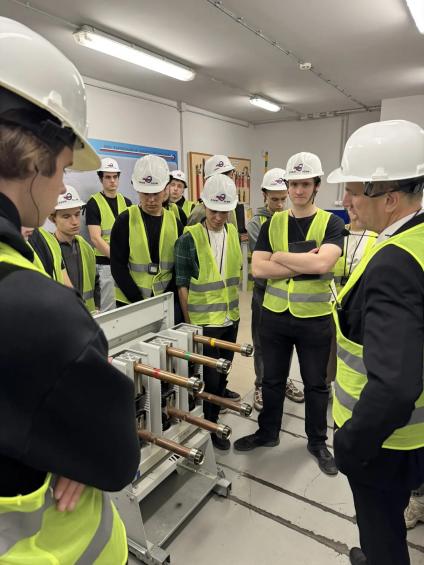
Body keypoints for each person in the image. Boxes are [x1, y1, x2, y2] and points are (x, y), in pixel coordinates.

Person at [0, 17, 139, 564]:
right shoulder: (37, 309)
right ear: (34, 157)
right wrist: (75, 446)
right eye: (62, 167)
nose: (62, 186)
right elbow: (114, 459)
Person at [326, 119, 424, 565]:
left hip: (388, 444)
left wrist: (352, 445)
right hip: (414, 436)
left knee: (382, 537)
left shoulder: (394, 263)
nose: (345, 201)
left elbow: (395, 387)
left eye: (352, 191)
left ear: (389, 198)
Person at [234, 152, 344, 477]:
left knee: (316, 384)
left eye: (305, 184)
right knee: (272, 380)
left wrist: (278, 257)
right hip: (275, 316)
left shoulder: (331, 223)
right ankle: (267, 432)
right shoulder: (274, 222)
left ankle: (317, 442)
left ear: (316, 185)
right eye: (293, 184)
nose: (298, 190)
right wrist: (301, 261)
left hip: (314, 318)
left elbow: (323, 263)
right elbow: (258, 268)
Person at [175, 174, 242, 450]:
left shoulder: (233, 234)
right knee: (209, 380)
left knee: (223, 375)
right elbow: (182, 285)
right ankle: (210, 427)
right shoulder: (189, 239)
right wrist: (191, 326)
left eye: (224, 211)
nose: (218, 217)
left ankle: (212, 420)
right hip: (204, 323)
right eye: (213, 210)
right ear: (204, 205)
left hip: (231, 318)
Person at [247, 168, 304, 411]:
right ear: (264, 195)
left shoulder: (294, 219)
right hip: (263, 294)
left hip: (288, 294)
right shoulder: (256, 223)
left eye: (283, 198)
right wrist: (298, 262)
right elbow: (265, 263)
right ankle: (261, 384)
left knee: (285, 342)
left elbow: (284, 258)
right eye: (274, 199)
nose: (280, 205)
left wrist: (283, 258)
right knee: (262, 342)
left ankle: (283, 379)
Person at [110, 154, 183, 313]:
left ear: (166, 188)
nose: (151, 199)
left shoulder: (175, 223)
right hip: (129, 303)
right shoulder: (125, 221)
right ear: (137, 189)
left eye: (155, 193)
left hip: (164, 302)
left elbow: (178, 268)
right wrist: (139, 302)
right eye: (145, 193)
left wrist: (167, 298)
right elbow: (118, 266)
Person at [86, 157, 131, 311]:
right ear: (101, 179)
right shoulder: (93, 203)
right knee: (109, 308)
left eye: (115, 177)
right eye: (108, 177)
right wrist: (117, 259)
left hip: (126, 264)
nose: (112, 181)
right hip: (106, 264)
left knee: (126, 306)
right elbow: (95, 238)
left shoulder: (127, 202)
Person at [50, 185, 100, 313]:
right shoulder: (48, 250)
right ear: (53, 218)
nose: (75, 222)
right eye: (66, 216)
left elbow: (95, 282)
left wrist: (96, 307)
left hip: (88, 315)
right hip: (62, 317)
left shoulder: (86, 247)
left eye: (77, 214)